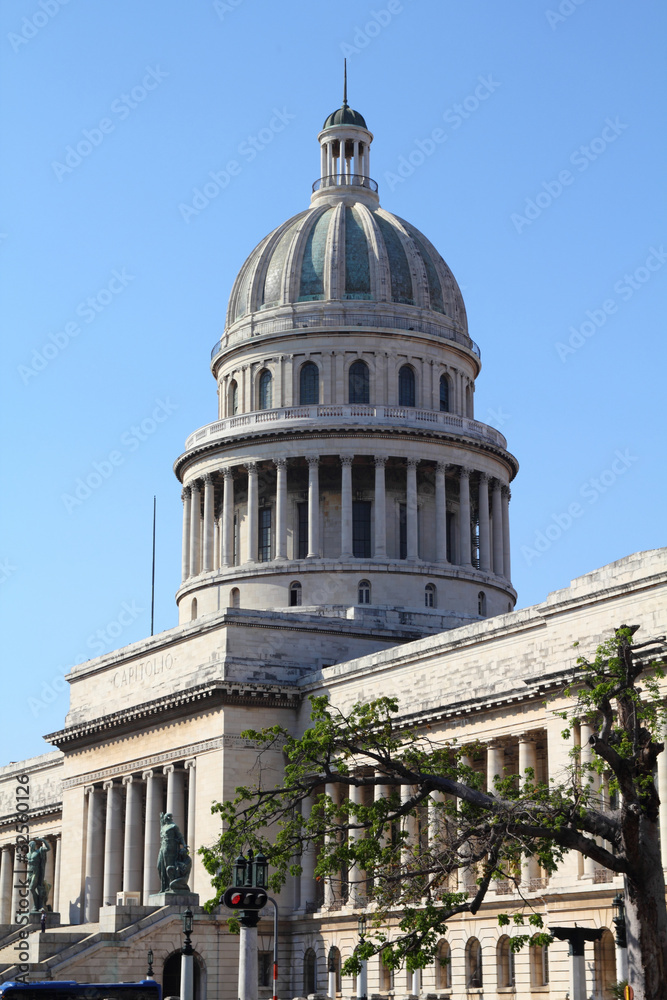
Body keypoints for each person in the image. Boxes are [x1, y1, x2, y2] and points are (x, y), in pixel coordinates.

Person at [157, 813, 191, 892]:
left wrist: (184, 845)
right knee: (159, 866)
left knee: (169, 867)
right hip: (162, 847)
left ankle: (169, 887)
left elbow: (180, 836)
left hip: (170, 847)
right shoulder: (163, 827)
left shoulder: (174, 826)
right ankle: (163, 886)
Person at [26, 838, 50, 912]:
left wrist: (43, 841)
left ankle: (38, 904)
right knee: (32, 889)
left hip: (36, 871)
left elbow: (48, 848)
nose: (32, 846)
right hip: (30, 871)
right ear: (30, 846)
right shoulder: (28, 854)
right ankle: (37, 905)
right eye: (31, 845)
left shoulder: (38, 852)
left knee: (32, 888)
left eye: (34, 845)